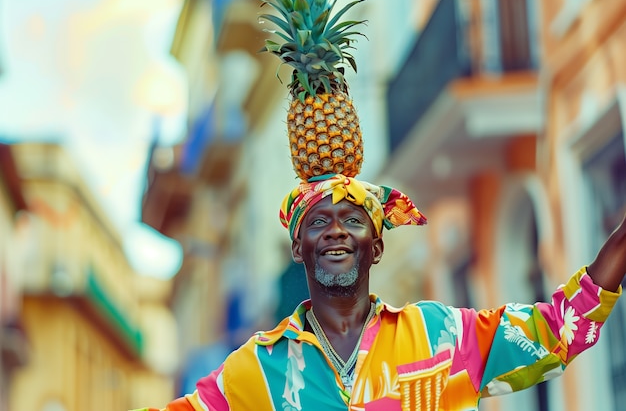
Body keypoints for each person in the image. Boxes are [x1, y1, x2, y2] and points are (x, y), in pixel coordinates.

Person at [133, 173, 624, 411]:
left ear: (377, 247)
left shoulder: (439, 335)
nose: (335, 231)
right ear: (298, 249)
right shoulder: (257, 369)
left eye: (353, 220)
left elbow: (555, 332)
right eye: (318, 222)